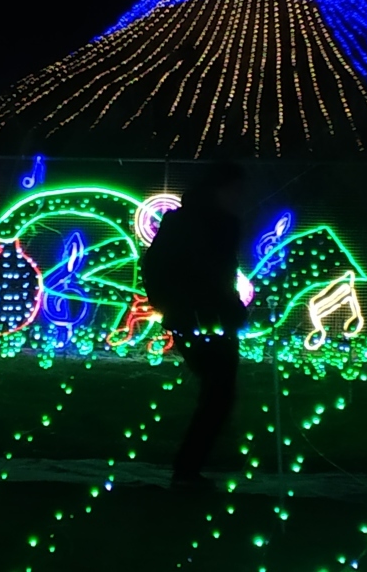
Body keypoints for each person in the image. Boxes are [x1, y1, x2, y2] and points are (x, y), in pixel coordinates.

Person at [142, 161, 248, 491]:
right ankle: (187, 469)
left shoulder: (216, 223)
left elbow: (219, 275)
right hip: (199, 320)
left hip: (207, 319)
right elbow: (178, 270)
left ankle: (189, 468)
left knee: (218, 392)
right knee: (218, 392)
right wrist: (181, 307)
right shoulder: (203, 224)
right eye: (238, 190)